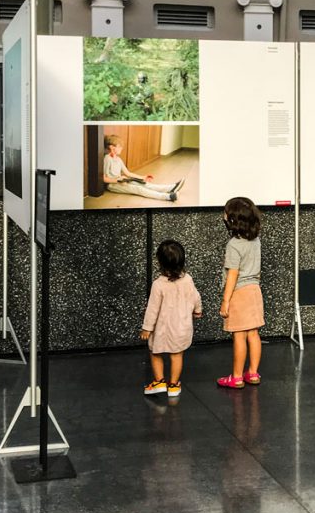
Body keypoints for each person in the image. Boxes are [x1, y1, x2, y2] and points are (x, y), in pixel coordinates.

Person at [140, 240, 202, 398]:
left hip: (162, 329)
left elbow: (152, 309)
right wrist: (197, 311)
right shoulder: (188, 280)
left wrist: (147, 328)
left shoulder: (158, 285)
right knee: (177, 355)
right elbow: (196, 297)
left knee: (155, 353)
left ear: (159, 262)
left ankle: (159, 382)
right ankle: (174, 386)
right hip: (181, 328)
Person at [216, 196, 264, 389]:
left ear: (232, 220)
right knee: (253, 333)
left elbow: (233, 275)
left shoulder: (233, 245)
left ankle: (236, 377)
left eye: (226, 212)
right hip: (255, 291)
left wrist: (226, 301)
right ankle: (252, 373)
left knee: (239, 336)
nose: (223, 215)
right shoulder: (255, 240)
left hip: (239, 293)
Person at [103, 135, 184, 201]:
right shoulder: (107, 158)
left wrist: (142, 177)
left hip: (122, 181)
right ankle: (168, 197)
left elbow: (128, 173)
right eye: (119, 146)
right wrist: (117, 180)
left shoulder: (118, 159)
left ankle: (170, 188)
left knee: (144, 184)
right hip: (113, 185)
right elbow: (104, 179)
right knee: (139, 189)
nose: (122, 148)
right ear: (112, 147)